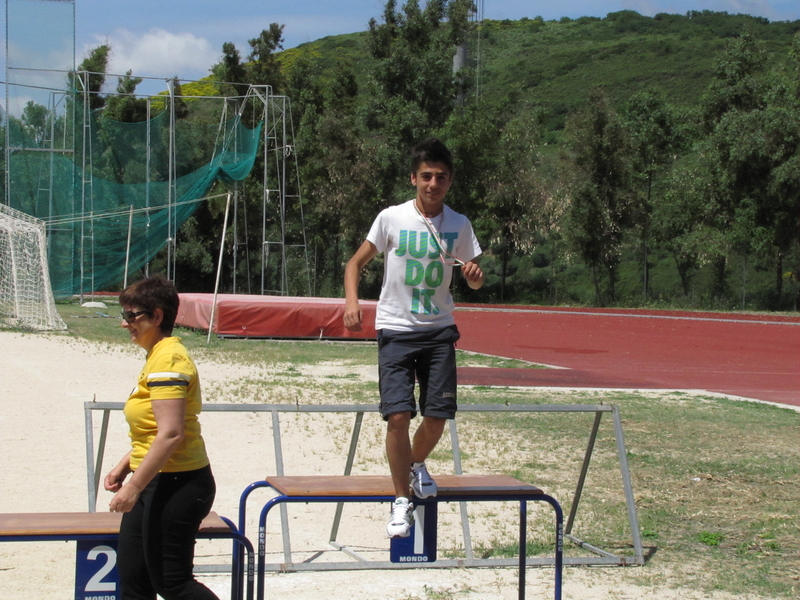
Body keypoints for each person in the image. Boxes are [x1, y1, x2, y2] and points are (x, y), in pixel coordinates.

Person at [343, 137, 484, 538]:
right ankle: (401, 499)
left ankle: (415, 463)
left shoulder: (459, 224)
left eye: (440, 177)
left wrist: (474, 277)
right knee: (399, 416)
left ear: (450, 181)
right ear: (413, 178)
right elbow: (355, 263)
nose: (433, 183)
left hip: (439, 331)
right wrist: (352, 302)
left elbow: (474, 277)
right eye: (426, 176)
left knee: (438, 418)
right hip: (396, 330)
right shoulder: (391, 218)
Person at [105, 276, 219, 600]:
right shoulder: (157, 355)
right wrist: (124, 466)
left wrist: (133, 485)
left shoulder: (169, 358)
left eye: (132, 316)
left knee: (172, 583)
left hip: (177, 484)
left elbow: (171, 434)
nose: (125, 324)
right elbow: (155, 430)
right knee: (134, 582)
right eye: (124, 315)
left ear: (157, 316)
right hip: (152, 479)